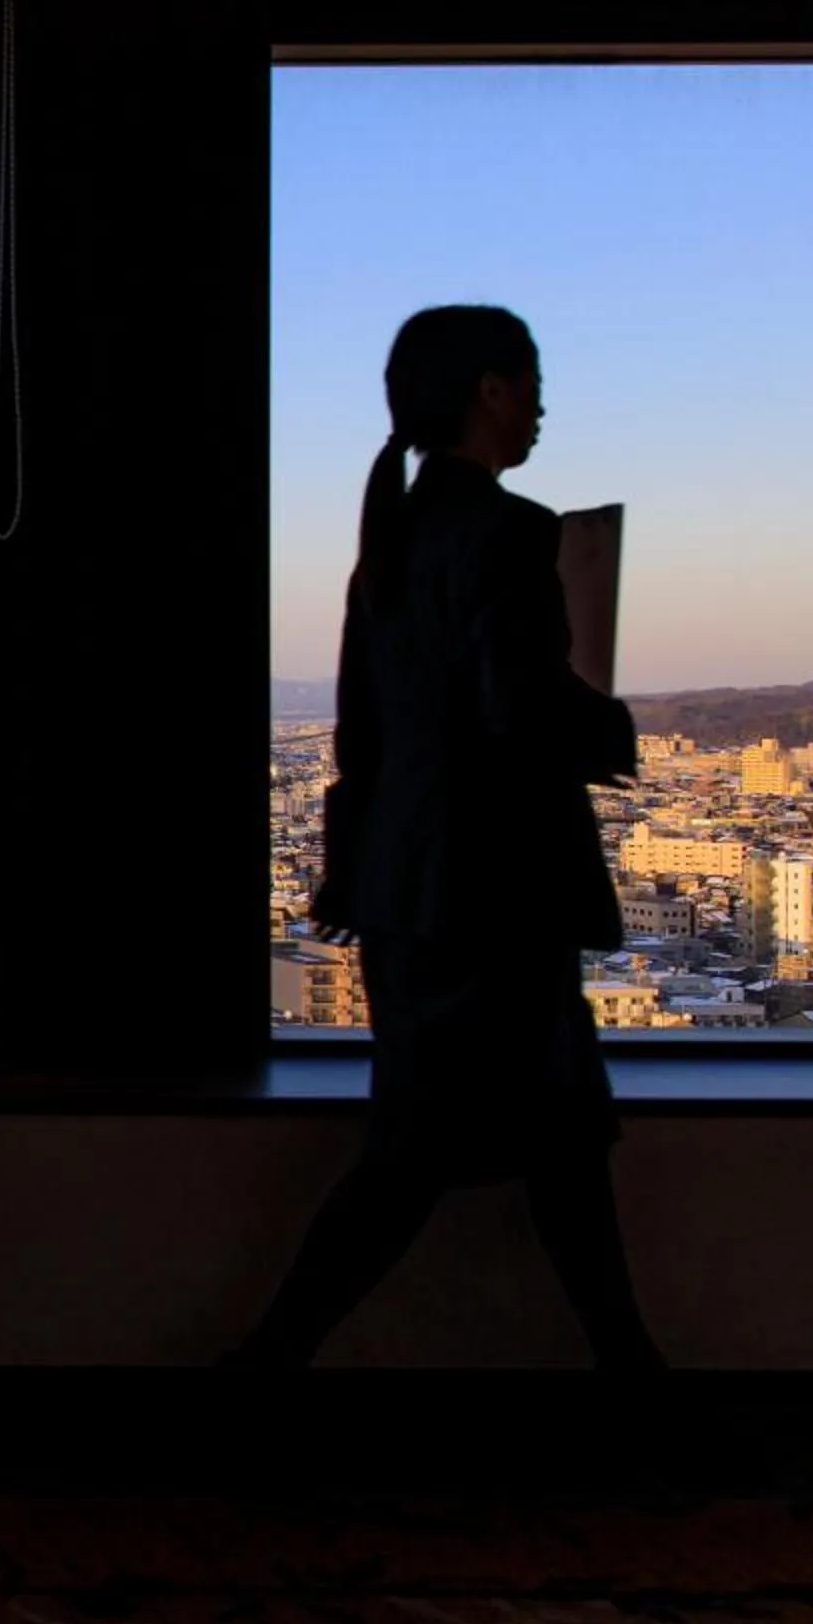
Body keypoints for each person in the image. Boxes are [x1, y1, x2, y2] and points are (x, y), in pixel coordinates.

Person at [225, 304, 666, 1374]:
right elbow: (518, 704)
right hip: (494, 886)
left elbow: (361, 735)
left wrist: (351, 866)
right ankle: (263, 1365)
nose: (541, 405)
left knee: (497, 1141)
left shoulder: (388, 544)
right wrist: (608, 726)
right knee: (483, 1144)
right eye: (529, 381)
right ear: (488, 390)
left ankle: (633, 1372)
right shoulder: (514, 533)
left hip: (410, 886)